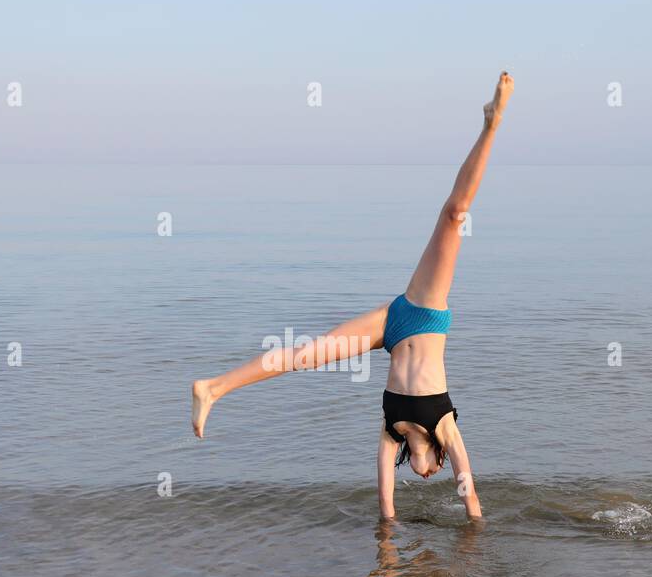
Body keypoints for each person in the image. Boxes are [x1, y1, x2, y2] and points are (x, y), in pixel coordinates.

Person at [191, 72, 514, 520]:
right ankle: (491, 125)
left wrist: (388, 557)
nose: (429, 475)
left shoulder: (391, 430)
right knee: (454, 215)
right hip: (421, 312)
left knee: (303, 357)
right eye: (439, 471)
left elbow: (385, 504)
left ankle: (212, 388)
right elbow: (471, 497)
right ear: (441, 459)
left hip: (388, 326)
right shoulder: (447, 426)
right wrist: (474, 539)